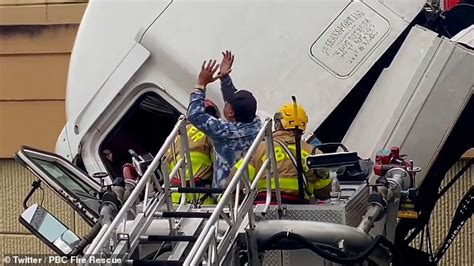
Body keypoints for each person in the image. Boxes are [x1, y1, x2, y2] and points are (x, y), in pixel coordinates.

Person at [187, 52, 261, 189]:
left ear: (231, 113)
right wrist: (225, 78)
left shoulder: (226, 133)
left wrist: (201, 84)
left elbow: (194, 115)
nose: (225, 103)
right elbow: (234, 100)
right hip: (250, 191)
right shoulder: (256, 124)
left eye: (227, 104)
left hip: (227, 197)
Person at [234, 103, 332, 204]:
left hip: (263, 208)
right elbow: (324, 191)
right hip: (300, 209)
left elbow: (236, 180)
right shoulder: (313, 153)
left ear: (278, 124)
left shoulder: (259, 148)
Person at [165, 99, 220, 204]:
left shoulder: (176, 135)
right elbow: (220, 166)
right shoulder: (211, 133)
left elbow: (165, 164)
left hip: (175, 197)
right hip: (201, 196)